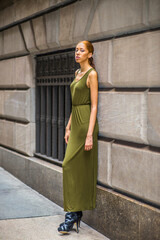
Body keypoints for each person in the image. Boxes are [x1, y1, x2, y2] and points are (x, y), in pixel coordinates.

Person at [58, 40, 99, 234]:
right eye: (76, 50)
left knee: (79, 169)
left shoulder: (92, 74)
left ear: (90, 54)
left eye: (82, 50)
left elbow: (93, 106)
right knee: (69, 166)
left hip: (86, 127)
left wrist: (89, 134)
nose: (77, 52)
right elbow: (75, 104)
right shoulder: (77, 74)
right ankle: (74, 213)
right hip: (76, 125)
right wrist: (68, 126)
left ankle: (72, 215)